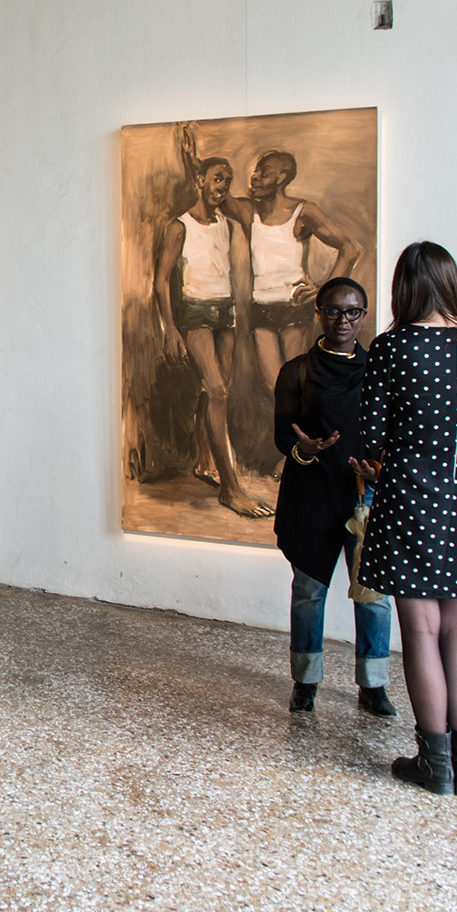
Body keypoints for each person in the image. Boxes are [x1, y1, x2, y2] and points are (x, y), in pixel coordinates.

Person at [352, 241, 457, 797]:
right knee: (456, 629)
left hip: (411, 498)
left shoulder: (394, 347)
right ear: (450, 282)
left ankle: (434, 763)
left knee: (420, 629)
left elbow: (371, 434)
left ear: (404, 288)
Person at [272, 277, 396, 718]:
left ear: (363, 316)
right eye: (333, 311)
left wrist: (380, 468)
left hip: (364, 494)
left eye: (353, 311)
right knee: (309, 592)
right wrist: (304, 449)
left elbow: (394, 434)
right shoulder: (297, 371)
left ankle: (374, 685)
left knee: (374, 596)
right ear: (319, 313)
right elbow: (282, 435)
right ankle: (305, 681)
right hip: (311, 495)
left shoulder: (378, 369)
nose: (343, 320)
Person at [153, 152, 271, 518]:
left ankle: (205, 462)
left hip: (225, 312)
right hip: (195, 313)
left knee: (217, 391)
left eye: (227, 181)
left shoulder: (226, 223)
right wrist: (170, 328)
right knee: (217, 391)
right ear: (200, 180)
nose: (223, 186)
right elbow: (160, 282)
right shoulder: (179, 226)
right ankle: (231, 489)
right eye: (217, 178)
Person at [218, 150, 362, 430]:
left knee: (298, 382)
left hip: (294, 306)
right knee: (273, 385)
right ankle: (297, 441)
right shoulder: (249, 211)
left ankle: (305, 443)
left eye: (264, 173)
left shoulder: (303, 211)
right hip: (262, 307)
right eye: (255, 171)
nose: (254, 177)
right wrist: (191, 160)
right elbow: (221, 197)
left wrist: (324, 291)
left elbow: (350, 248)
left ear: (282, 177)